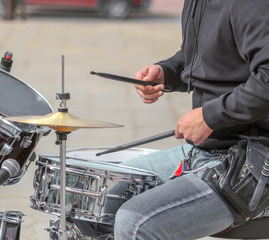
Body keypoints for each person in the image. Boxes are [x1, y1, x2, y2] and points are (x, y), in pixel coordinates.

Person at [108, 0, 269, 239]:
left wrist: (209, 116)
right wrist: (165, 72)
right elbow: (198, 59)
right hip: (210, 150)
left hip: (255, 160)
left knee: (136, 222)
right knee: (112, 194)